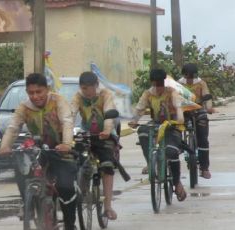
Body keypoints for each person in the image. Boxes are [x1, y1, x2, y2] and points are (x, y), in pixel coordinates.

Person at [0, 73, 77, 230]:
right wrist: (5, 146)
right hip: (37, 149)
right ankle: (28, 203)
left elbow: (67, 122)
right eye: (31, 93)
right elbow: (13, 127)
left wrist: (67, 144)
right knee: (21, 167)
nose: (35, 96)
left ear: (47, 89)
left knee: (65, 187)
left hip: (59, 149)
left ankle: (70, 224)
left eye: (39, 92)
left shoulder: (58, 101)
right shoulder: (24, 107)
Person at [128, 68, 187, 202]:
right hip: (155, 124)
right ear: (152, 83)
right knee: (142, 131)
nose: (158, 87)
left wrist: (179, 120)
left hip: (171, 125)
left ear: (164, 82)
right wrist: (134, 121)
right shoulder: (148, 94)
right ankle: (150, 163)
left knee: (171, 152)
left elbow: (179, 107)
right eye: (155, 84)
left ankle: (177, 183)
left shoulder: (172, 92)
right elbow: (139, 108)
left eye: (160, 84)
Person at [70, 71, 118, 220]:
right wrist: (67, 132)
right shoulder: (78, 97)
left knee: (107, 166)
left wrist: (107, 131)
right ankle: (80, 189)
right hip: (86, 132)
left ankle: (108, 206)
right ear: (81, 87)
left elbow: (110, 113)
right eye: (84, 90)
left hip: (105, 133)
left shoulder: (105, 95)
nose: (87, 94)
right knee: (74, 160)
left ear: (96, 86)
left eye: (90, 90)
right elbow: (70, 114)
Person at [179, 63, 215, 179]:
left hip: (198, 111)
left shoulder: (201, 83)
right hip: (183, 112)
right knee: (173, 131)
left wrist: (209, 107)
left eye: (192, 77)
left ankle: (204, 168)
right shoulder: (178, 84)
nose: (189, 79)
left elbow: (207, 96)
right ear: (184, 75)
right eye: (187, 76)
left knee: (203, 139)